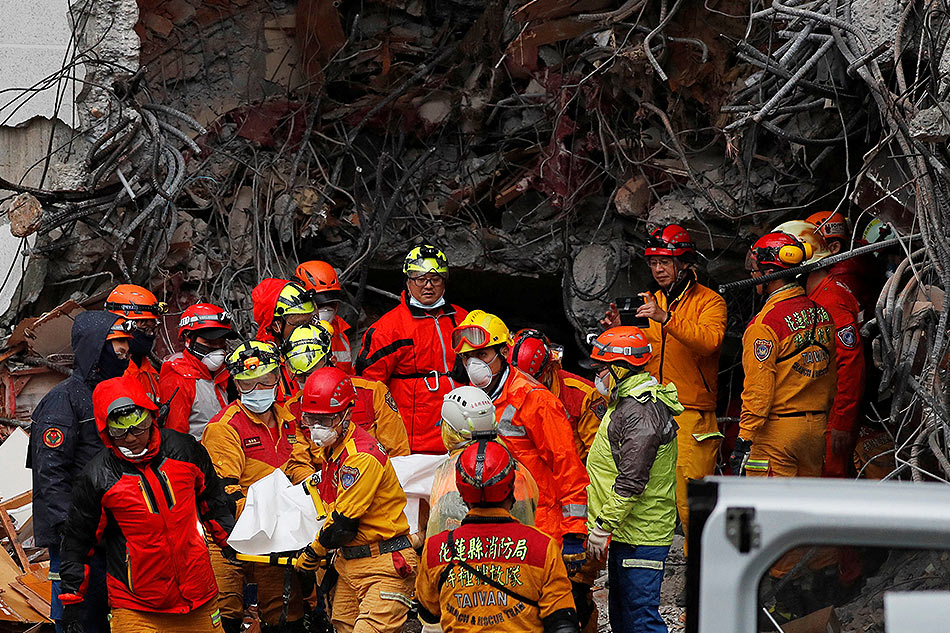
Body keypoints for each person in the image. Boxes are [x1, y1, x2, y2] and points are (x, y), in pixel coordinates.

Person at [56, 375, 234, 633]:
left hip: (198, 595)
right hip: (136, 604)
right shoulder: (97, 477)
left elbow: (213, 500)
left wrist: (229, 541)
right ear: (106, 431)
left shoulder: (185, 451)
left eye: (138, 428)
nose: (130, 439)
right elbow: (77, 541)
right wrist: (72, 599)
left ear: (151, 418)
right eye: (120, 432)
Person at [601, 224, 726, 555]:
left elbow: (709, 343)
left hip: (692, 417)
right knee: (647, 496)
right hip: (650, 413)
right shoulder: (649, 301)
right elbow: (638, 355)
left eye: (665, 262)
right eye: (653, 262)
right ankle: (647, 571)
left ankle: (703, 585)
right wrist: (618, 330)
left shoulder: (710, 302)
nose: (657, 269)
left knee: (694, 507)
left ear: (684, 263)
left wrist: (666, 317)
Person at [451, 310, 589, 571]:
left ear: (503, 352)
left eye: (482, 355)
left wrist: (574, 533)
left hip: (538, 521)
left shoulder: (534, 399)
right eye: (467, 357)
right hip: (488, 520)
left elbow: (567, 465)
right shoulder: (465, 398)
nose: (473, 364)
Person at [28, 312, 131, 633]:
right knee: (77, 617)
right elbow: (50, 474)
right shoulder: (63, 401)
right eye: (118, 346)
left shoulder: (112, 394)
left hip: (112, 530)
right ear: (95, 347)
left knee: (108, 615)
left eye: (127, 346)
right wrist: (69, 530)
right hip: (77, 535)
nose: (125, 353)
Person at [293, 368, 417, 633]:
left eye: (325, 421)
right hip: (349, 564)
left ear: (347, 414)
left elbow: (342, 524)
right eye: (311, 419)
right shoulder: (332, 451)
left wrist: (314, 552)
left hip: (383, 564)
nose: (316, 429)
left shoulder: (361, 457)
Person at [415, 440, 580, 633]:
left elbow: (429, 614)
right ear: (511, 490)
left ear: (462, 494)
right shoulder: (542, 547)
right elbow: (562, 623)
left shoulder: (436, 549)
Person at [202, 341, 305, 633]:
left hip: (276, 537)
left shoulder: (289, 420)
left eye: (266, 380)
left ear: (278, 376)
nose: (258, 389)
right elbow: (225, 493)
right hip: (229, 537)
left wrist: (309, 490)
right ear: (235, 383)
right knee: (226, 613)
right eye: (248, 384)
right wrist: (278, 513)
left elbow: (298, 464)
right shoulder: (224, 427)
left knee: (285, 614)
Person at [586, 326, 682, 633]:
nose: (597, 375)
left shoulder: (639, 411)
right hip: (629, 530)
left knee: (640, 618)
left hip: (642, 534)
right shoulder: (627, 402)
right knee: (624, 616)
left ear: (619, 368)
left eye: (601, 368)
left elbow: (632, 480)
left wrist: (602, 526)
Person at [729, 232, 837, 481]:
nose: (752, 276)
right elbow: (831, 379)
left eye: (755, 270)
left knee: (771, 514)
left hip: (776, 434)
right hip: (815, 431)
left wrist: (744, 438)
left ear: (769, 275)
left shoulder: (765, 324)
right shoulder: (822, 315)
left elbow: (759, 390)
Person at [355, 245, 468, 454]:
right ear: (408, 281)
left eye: (435, 279)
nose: (428, 286)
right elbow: (367, 389)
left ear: (444, 281)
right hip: (411, 443)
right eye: (419, 278)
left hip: (460, 437)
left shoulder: (463, 320)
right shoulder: (387, 330)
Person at [775, 221, 866, 478]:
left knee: (828, 486)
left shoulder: (831, 299)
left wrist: (842, 422)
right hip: (820, 414)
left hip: (831, 418)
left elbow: (851, 362)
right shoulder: (820, 295)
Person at [282, 325, 410, 486]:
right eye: (301, 378)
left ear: (331, 361)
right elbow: (298, 464)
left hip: (377, 485)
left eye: (312, 373)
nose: (308, 382)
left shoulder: (372, 392)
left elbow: (399, 455)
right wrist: (319, 489)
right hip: (323, 490)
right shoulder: (292, 409)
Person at [426, 385, 539, 537]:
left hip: (467, 556)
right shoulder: (515, 466)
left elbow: (439, 532)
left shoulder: (448, 472)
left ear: (450, 431)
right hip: (515, 553)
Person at [509, 329, 606, 462]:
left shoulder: (584, 396)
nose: (523, 388)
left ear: (549, 369)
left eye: (529, 382)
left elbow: (597, 454)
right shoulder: (506, 387)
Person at [159, 303, 237, 438]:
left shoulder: (224, 372)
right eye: (210, 342)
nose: (218, 349)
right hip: (199, 455)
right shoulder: (179, 378)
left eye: (221, 342)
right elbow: (176, 438)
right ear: (188, 340)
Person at [252, 278, 317, 399]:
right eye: (299, 324)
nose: (307, 330)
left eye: (309, 322)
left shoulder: (319, 346)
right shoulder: (262, 366)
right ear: (276, 325)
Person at [105, 284, 165, 401]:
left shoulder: (147, 369)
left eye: (152, 329)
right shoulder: (111, 373)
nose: (150, 335)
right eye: (145, 328)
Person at [295, 260, 354, 373]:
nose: (327, 310)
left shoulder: (339, 331)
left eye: (331, 304)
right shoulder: (286, 332)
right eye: (320, 304)